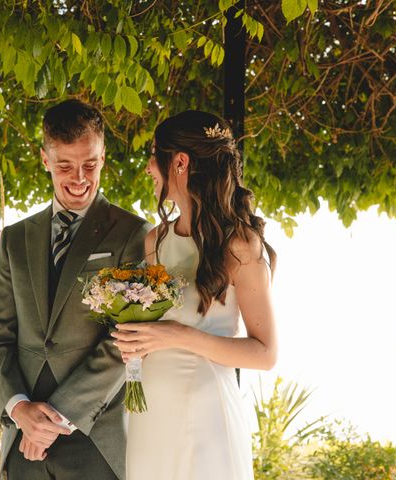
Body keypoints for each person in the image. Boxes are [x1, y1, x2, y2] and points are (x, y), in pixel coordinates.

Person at [0, 99, 150, 480]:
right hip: (23, 442)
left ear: (104, 157)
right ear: (45, 159)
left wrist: (58, 417)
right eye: (65, 166)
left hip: (95, 441)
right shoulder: (15, 239)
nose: (79, 178)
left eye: (90, 164)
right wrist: (20, 410)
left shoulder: (132, 235)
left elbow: (126, 340)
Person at [112, 110, 278, 480]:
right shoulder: (156, 241)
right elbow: (153, 327)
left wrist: (177, 336)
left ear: (180, 162)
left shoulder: (240, 246)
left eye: (155, 155)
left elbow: (265, 353)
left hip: (205, 415)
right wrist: (134, 341)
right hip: (150, 415)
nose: (149, 168)